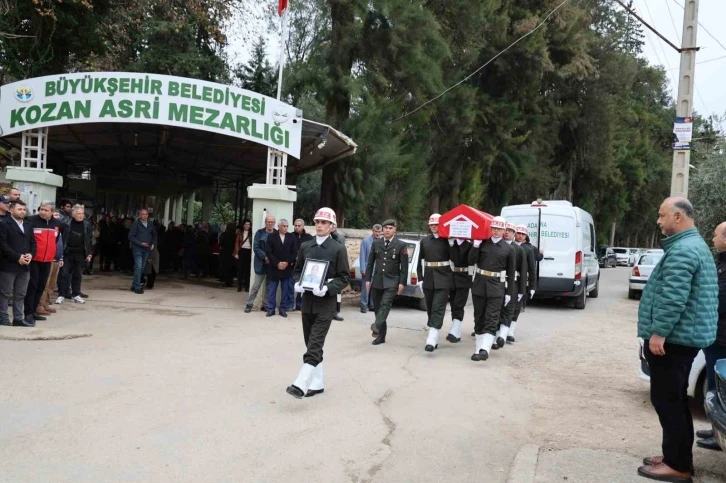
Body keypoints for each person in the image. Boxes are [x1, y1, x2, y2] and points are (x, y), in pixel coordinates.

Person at [637, 197, 718, 483]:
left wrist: (659, 333)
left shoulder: (684, 250)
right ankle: (674, 455)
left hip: (674, 341)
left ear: (679, 217)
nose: (658, 221)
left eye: (662, 216)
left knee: (667, 400)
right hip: (682, 338)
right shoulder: (693, 246)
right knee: (675, 400)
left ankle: (678, 465)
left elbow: (673, 298)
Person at [286, 207, 350, 398]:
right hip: (308, 303)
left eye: (324, 223)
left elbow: (344, 277)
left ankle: (301, 383)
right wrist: (297, 283)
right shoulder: (306, 246)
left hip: (326, 304)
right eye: (318, 222)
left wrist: (328, 288)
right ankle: (318, 383)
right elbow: (297, 270)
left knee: (315, 343)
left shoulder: (338, 249)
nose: (320, 226)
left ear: (332, 227)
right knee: (310, 342)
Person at [695, 221, 726, 452]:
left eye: (716, 235)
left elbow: (719, 301)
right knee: (714, 387)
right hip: (715, 334)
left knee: (720, 391)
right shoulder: (722, 264)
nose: (712, 239)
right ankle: (716, 429)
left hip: (722, 338)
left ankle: (719, 436)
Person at [468, 216, 515, 362]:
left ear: (504, 230)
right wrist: (475, 246)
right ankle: (478, 349)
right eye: (494, 228)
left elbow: (511, 273)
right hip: (480, 284)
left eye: (499, 229)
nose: (496, 231)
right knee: (479, 317)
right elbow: (470, 261)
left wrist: (509, 293)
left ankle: (485, 349)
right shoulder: (482, 244)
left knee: (492, 317)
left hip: (497, 287)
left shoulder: (509, 249)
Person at [366, 219, 408, 346]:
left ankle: (376, 325)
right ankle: (381, 335)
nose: (387, 230)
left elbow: (404, 267)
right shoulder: (376, 243)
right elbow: (370, 262)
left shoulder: (401, 245)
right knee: (378, 309)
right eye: (386, 228)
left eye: (390, 228)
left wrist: (402, 283)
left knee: (385, 305)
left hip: (392, 281)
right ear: (382, 230)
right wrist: (368, 279)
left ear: (395, 230)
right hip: (378, 280)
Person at [417, 213, 453, 352]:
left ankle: (432, 337)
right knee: (431, 307)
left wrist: (451, 243)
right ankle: (434, 331)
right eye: (431, 225)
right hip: (428, 278)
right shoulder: (425, 241)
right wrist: (420, 278)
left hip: (443, 278)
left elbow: (456, 258)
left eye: (436, 225)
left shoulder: (447, 240)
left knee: (438, 307)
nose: (433, 227)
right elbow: (419, 261)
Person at [491, 222, 527, 350]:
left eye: (510, 231)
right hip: (498, 282)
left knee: (509, 309)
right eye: (505, 230)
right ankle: (494, 336)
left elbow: (523, 271)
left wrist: (522, 291)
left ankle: (503, 334)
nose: (507, 232)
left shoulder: (519, 250)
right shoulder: (495, 246)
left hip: (513, 283)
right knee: (497, 309)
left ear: (514, 234)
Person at [23, 201, 62, 322]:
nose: (43, 212)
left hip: (48, 260)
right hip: (34, 259)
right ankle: (28, 313)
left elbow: (56, 240)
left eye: (46, 210)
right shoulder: (30, 220)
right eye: (41, 209)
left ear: (52, 212)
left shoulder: (57, 224)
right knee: (32, 286)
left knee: (41, 286)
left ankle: (34, 311)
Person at [0, 200, 37, 327]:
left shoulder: (27, 224)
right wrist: (17, 257)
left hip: (25, 265)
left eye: (23, 209)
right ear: (11, 210)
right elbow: (3, 245)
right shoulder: (4, 224)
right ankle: (3, 317)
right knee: (5, 292)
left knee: (20, 293)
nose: (22, 211)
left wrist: (31, 254)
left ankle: (17, 318)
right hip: (8, 265)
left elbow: (33, 242)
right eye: (19, 209)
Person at [56, 204, 93, 304]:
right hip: (67, 252)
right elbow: (60, 238)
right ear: (73, 214)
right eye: (78, 213)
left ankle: (76, 294)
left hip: (80, 253)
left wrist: (89, 253)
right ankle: (61, 294)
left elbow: (89, 240)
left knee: (78, 274)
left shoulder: (86, 225)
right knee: (63, 274)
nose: (81, 216)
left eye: (82, 214)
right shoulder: (65, 223)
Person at [509, 225, 536, 343]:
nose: (520, 236)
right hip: (508, 279)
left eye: (522, 234)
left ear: (526, 236)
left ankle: (511, 330)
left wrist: (532, 286)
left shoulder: (528, 250)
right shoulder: (508, 245)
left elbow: (532, 269)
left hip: (520, 280)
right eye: (518, 233)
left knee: (517, 306)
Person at [265, 218, 297, 318]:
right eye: (284, 226)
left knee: (285, 290)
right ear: (278, 227)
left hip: (286, 269)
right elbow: (268, 252)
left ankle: (283, 309)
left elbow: (294, 252)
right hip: (274, 268)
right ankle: (271, 309)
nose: (286, 228)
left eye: (287, 226)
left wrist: (287, 263)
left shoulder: (291, 237)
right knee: (272, 290)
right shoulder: (271, 236)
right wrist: (277, 263)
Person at [245, 215, 276, 313]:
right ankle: (249, 304)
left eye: (272, 222)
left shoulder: (276, 234)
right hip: (261, 264)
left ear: (274, 223)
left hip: (271, 264)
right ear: (265, 223)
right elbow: (256, 247)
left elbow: (278, 248)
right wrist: (265, 257)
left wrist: (272, 259)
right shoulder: (259, 233)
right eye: (268, 222)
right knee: (256, 285)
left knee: (268, 286)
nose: (270, 223)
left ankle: (265, 305)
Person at [447, 232, 473, 343]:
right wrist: (451, 244)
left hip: (464, 277)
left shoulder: (470, 245)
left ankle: (455, 328)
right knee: (453, 304)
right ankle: (456, 329)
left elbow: (465, 260)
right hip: (452, 276)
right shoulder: (452, 243)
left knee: (459, 304)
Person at [38, 209, 64, 315]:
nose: (57, 217)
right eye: (55, 215)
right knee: (44, 284)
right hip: (48, 260)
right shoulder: (48, 228)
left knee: (51, 285)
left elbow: (60, 245)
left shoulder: (58, 229)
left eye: (58, 215)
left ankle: (46, 304)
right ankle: (39, 306)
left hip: (57, 260)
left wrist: (61, 258)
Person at [128, 209, 158, 295]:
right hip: (137, 249)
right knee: (138, 267)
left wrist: (153, 244)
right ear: (139, 215)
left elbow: (155, 235)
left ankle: (134, 285)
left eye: (146, 214)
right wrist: (140, 243)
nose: (145, 216)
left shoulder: (150, 224)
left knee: (141, 268)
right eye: (143, 214)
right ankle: (137, 287)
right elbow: (130, 236)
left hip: (147, 249)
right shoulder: (136, 224)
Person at [291, 218, 314, 310]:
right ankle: (291, 304)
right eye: (295, 225)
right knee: (292, 285)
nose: (297, 227)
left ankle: (299, 304)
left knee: (303, 285)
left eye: (299, 225)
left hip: (305, 265)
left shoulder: (309, 237)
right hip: (292, 264)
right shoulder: (290, 236)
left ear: (303, 226)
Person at [359, 224, 382, 313]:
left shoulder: (382, 241)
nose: (377, 233)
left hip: (378, 269)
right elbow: (362, 255)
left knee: (374, 288)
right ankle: (363, 306)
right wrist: (363, 268)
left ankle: (372, 305)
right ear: (373, 231)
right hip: (368, 268)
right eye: (375, 231)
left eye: (379, 232)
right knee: (366, 288)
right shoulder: (366, 241)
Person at [330, 224, 346, 321]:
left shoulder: (340, 238)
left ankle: (336, 312)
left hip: (336, 267)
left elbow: (341, 250)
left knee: (337, 292)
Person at [234, 219, 253, 292]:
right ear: (243, 225)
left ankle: (247, 286)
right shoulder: (240, 232)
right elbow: (236, 242)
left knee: (247, 270)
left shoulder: (251, 233)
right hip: (241, 251)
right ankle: (239, 286)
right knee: (240, 270)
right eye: (246, 224)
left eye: (248, 224)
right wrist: (236, 253)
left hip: (249, 252)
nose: (247, 226)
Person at [219, 223, 237, 287]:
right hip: (232, 253)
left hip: (225, 252)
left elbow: (220, 243)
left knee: (225, 267)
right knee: (231, 267)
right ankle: (230, 281)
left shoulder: (224, 234)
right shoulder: (235, 236)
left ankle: (226, 280)